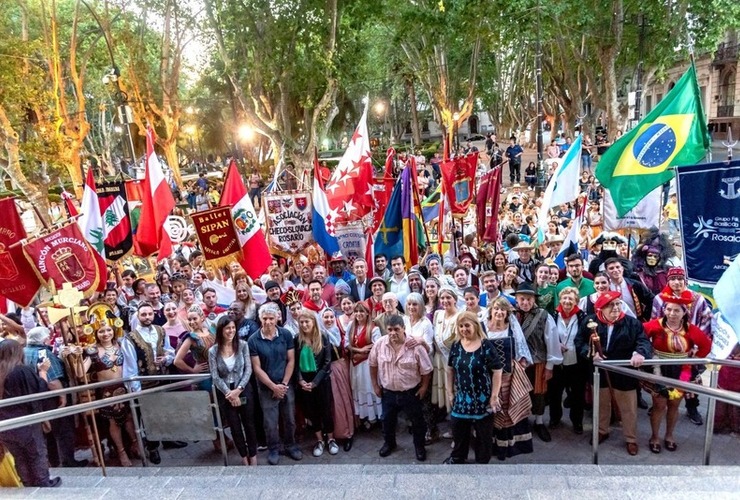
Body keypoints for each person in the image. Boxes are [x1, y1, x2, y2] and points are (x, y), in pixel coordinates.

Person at [574, 291, 652, 456]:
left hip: (624, 372)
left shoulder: (632, 323)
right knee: (601, 404)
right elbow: (579, 341)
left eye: (618, 304)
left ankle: (631, 438)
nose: (616, 308)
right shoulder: (590, 321)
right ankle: (602, 430)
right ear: (601, 308)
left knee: (628, 408)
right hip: (599, 372)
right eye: (611, 305)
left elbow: (643, 340)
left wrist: (639, 353)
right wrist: (590, 353)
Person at [643, 292, 711, 453]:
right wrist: (647, 353)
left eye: (676, 311)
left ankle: (669, 435)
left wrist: (694, 357)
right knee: (659, 405)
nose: (672, 314)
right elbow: (641, 338)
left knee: (674, 404)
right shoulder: (654, 325)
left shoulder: (691, 329)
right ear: (664, 310)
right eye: (668, 310)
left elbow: (706, 345)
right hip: (659, 368)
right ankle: (654, 436)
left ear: (684, 312)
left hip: (682, 369)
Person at [121, 304, 181, 464]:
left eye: (149, 314)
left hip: (162, 379)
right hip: (144, 383)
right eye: (143, 315)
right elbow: (130, 366)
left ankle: (167, 439)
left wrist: (166, 359)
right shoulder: (130, 338)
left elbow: (169, 350)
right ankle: (152, 447)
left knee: (164, 411)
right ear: (138, 316)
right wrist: (135, 389)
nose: (147, 317)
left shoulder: (160, 330)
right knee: (147, 416)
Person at [369, 315, 433, 461]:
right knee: (387, 421)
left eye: (396, 329)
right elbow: (372, 364)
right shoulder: (380, 344)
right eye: (389, 330)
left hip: (410, 393)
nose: (392, 333)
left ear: (403, 328)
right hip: (388, 393)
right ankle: (389, 444)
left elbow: (426, 369)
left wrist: (423, 387)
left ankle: (419, 446)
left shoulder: (415, 345)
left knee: (417, 422)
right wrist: (375, 385)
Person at [444, 312, 503, 464]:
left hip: (483, 400)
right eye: (461, 326)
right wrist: (450, 392)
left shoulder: (485, 346)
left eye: (467, 325)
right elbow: (449, 369)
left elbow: (497, 370)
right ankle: (458, 458)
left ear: (475, 326)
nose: (464, 329)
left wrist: (494, 396)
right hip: (462, 399)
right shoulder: (457, 345)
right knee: (459, 431)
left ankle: (482, 463)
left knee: (484, 436)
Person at [0, 340, 60, 487]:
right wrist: (43, 372)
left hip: (5, 425)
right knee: (36, 454)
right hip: (26, 422)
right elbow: (39, 392)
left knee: (19, 456)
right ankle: (43, 483)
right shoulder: (22, 370)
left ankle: (28, 485)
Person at [248, 303, 302, 465]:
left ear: (277, 318)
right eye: (265, 318)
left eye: (271, 318)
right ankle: (273, 448)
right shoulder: (254, 340)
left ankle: (291, 445)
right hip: (266, 387)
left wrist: (284, 384)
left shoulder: (285, 335)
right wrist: (273, 387)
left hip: (286, 384)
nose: (268, 322)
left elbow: (291, 360)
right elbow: (256, 368)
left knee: (290, 418)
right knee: (270, 422)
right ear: (260, 319)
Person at [84, 319, 137, 467]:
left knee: (129, 418)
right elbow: (81, 373)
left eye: (108, 330)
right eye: (101, 331)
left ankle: (135, 445)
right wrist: (75, 358)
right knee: (114, 423)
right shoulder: (92, 350)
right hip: (107, 391)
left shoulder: (121, 345)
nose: (105, 334)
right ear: (96, 333)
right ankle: (121, 453)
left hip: (125, 387)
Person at [485, 298, 533, 460]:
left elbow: (521, 348)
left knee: (508, 408)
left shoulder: (511, 327)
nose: (499, 312)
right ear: (491, 310)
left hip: (509, 376)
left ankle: (511, 445)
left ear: (507, 313)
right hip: (489, 377)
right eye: (496, 309)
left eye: (503, 310)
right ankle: (492, 445)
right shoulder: (483, 327)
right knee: (493, 408)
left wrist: (521, 363)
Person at [514, 283, 561, 442]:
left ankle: (539, 422)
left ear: (534, 299)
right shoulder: (511, 315)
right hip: (517, 364)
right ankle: (522, 420)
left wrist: (550, 366)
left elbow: (552, 340)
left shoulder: (544, 315)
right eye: (522, 299)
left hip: (538, 362)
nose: (525, 302)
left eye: (528, 299)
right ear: (516, 299)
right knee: (519, 394)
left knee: (539, 393)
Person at [209, 316, 258, 466]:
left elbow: (248, 369)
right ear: (221, 330)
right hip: (225, 393)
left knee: (249, 424)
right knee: (235, 427)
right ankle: (243, 457)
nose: (231, 331)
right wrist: (229, 394)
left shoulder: (243, 345)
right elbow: (215, 376)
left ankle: (253, 456)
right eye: (227, 328)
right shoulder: (213, 350)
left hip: (243, 389)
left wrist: (238, 390)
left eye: (233, 328)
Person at [294, 311, 339, 457]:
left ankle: (331, 438)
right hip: (304, 382)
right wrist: (301, 380)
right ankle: (319, 440)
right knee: (312, 412)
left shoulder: (323, 337)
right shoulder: (297, 339)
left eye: (307, 322)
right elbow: (293, 362)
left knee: (326, 410)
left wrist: (315, 382)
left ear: (313, 322)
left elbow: (327, 363)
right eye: (302, 322)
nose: (304, 325)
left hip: (321, 381)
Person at [548, 287, 588, 435]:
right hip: (557, 362)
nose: (567, 301)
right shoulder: (552, 315)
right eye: (564, 298)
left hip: (577, 362)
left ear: (576, 301)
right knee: (555, 393)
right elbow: (547, 335)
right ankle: (555, 418)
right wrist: (556, 344)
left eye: (571, 299)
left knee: (577, 394)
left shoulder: (583, 317)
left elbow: (586, 337)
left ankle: (577, 421)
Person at [319, 308, 355, 452]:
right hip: (325, 371)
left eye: (331, 317)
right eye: (325, 317)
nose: (328, 320)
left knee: (342, 401)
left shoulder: (338, 332)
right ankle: (330, 435)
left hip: (339, 368)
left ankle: (347, 433)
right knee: (329, 404)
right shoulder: (319, 335)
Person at [347, 301, 382, 426]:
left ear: (367, 313)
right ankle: (365, 416)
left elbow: (377, 345)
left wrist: (364, 352)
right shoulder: (351, 326)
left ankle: (375, 417)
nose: (358, 314)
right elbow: (346, 344)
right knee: (359, 388)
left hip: (367, 364)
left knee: (369, 388)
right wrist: (359, 350)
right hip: (356, 364)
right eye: (356, 311)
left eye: (362, 311)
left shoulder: (373, 328)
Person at [431, 288, 460, 415]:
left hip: (454, 361)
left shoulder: (460, 316)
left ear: (455, 299)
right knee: (444, 390)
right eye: (442, 298)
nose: (445, 301)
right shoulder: (438, 314)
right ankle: (450, 418)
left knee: (454, 389)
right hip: (439, 359)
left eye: (448, 297)